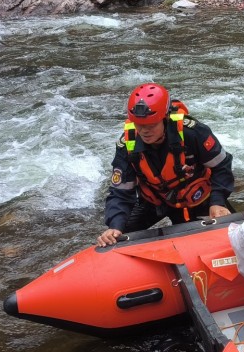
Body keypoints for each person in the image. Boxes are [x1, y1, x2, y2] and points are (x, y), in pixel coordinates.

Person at [96, 83, 234, 247]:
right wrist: (115, 226)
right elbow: (120, 193)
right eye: (139, 125)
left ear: (165, 118)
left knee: (228, 235)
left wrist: (217, 202)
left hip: (198, 200)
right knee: (118, 233)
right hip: (155, 202)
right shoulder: (127, 144)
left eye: (151, 125)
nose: (144, 131)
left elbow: (221, 166)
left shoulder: (193, 133)